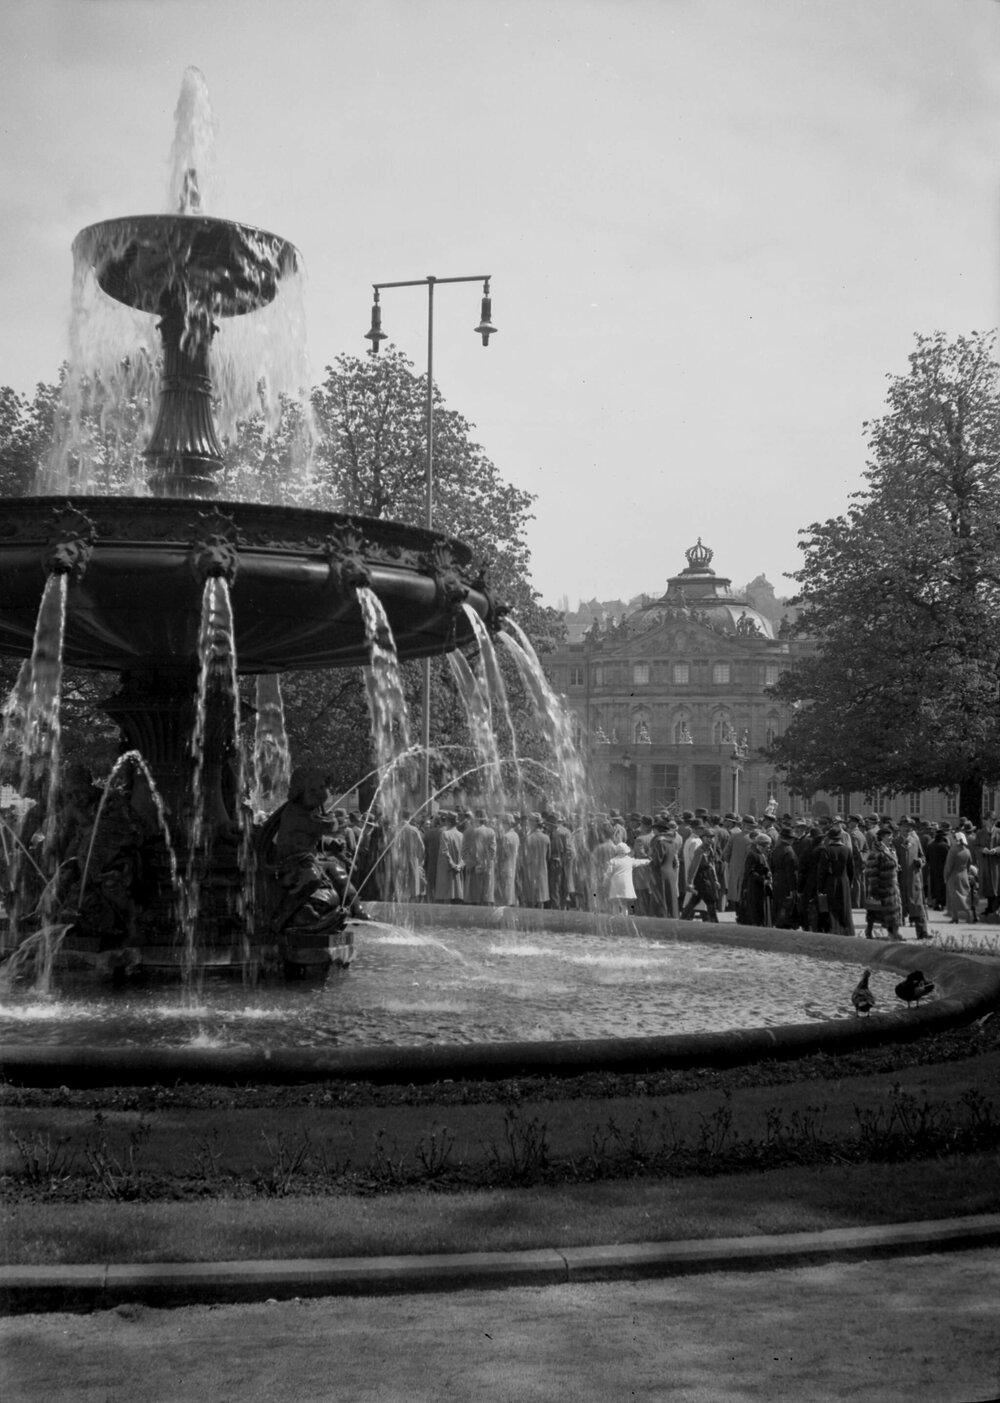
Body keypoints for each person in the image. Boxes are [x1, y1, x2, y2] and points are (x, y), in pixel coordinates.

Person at [863, 823, 903, 938]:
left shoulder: (891, 849)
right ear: (882, 837)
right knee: (876, 911)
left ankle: (893, 932)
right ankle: (869, 931)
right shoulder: (876, 851)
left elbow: (891, 862)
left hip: (892, 885)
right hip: (882, 885)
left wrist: (896, 867)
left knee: (892, 910)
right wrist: (874, 888)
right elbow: (872, 871)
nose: (891, 838)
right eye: (889, 835)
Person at [814, 825, 855, 935]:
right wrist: (849, 883)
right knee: (845, 907)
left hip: (830, 881)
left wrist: (820, 887)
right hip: (844, 881)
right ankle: (846, 929)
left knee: (832, 907)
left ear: (830, 838)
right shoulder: (847, 850)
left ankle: (833, 929)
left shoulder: (826, 850)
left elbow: (822, 870)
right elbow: (851, 870)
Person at [739, 831, 773, 927]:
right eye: (767, 845)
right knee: (756, 913)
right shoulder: (752, 855)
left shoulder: (762, 855)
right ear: (762, 845)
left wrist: (768, 873)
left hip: (762, 889)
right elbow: (751, 872)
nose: (768, 848)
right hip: (755, 888)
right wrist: (763, 880)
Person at [606, 840, 650, 914]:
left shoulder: (613, 861)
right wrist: (649, 861)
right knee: (624, 904)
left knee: (615, 903)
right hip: (626, 884)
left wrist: (605, 881)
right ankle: (624, 917)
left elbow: (609, 873)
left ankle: (615, 917)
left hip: (615, 884)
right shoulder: (630, 860)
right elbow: (639, 862)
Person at [465, 809, 497, 905]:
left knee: (474, 899)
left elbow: (464, 852)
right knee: (486, 898)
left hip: (473, 869)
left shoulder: (468, 832)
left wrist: (472, 866)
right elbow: (493, 852)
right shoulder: (491, 832)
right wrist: (486, 865)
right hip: (487, 869)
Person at [434, 811, 465, 904]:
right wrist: (460, 865)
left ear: (448, 821)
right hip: (458, 872)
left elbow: (444, 852)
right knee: (457, 899)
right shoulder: (462, 835)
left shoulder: (445, 834)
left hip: (447, 872)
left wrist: (453, 865)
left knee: (447, 900)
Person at [943, 831, 975, 922]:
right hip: (964, 875)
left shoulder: (953, 850)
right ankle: (968, 916)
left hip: (954, 876)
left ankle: (955, 917)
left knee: (953, 896)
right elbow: (969, 864)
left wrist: (945, 876)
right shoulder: (967, 851)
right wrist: (967, 873)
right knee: (964, 895)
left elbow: (949, 865)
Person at [394, 810, 425, 903]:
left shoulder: (396, 829)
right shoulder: (414, 830)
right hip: (413, 861)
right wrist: (420, 862)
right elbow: (421, 847)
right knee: (413, 887)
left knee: (400, 887)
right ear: (409, 817)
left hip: (399, 862)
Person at [522, 812, 550, 908]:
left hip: (531, 868)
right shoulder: (546, 838)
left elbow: (525, 856)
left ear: (533, 823)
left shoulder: (528, 838)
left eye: (530, 821)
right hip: (542, 868)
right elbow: (548, 856)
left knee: (531, 895)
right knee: (541, 895)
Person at [495, 813, 520, 907]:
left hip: (505, 866)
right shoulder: (516, 835)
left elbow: (502, 855)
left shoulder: (506, 837)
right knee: (511, 890)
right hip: (513, 864)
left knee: (505, 892)